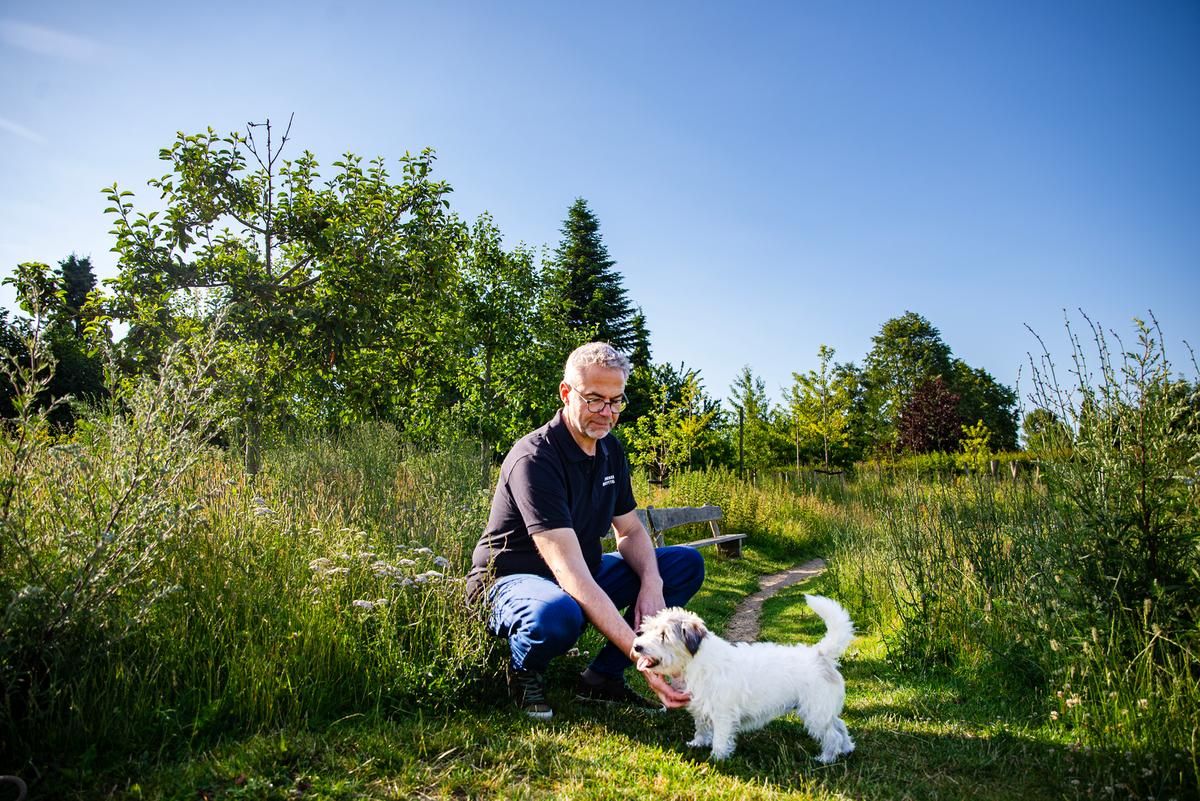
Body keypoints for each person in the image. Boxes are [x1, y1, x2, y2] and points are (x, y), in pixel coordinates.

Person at [467, 342, 706, 719]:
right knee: (559, 613)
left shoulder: (611, 450)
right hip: (514, 581)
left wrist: (651, 584)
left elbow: (629, 530)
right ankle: (522, 670)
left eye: (615, 401)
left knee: (683, 563)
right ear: (566, 393)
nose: (606, 413)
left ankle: (601, 679)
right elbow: (570, 575)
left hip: (580, 573)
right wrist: (642, 656)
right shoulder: (535, 459)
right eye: (594, 399)